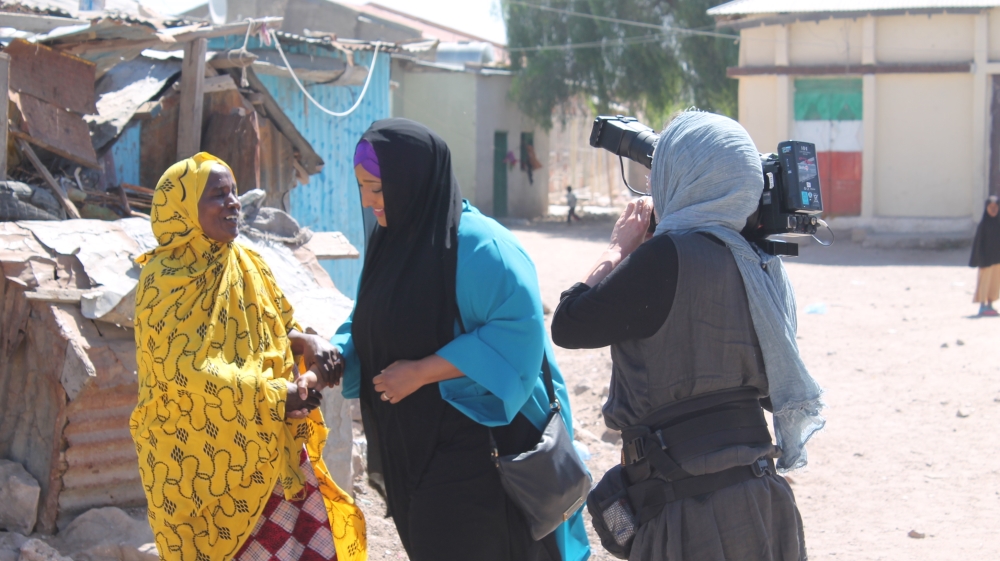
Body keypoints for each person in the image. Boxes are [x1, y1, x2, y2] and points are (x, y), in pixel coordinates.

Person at [552, 111, 823, 561]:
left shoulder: (665, 259)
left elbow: (569, 323)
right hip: (761, 501)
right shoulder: (760, 263)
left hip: (686, 513)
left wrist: (620, 247)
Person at [332, 119, 590, 561]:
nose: (368, 201)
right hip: (413, 451)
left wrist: (420, 372)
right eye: (362, 187)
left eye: (377, 188)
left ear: (411, 180)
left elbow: (518, 334)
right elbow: (369, 321)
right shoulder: (392, 244)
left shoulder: (479, 248)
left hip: (479, 451)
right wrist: (331, 357)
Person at [130, 153, 366, 561]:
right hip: (200, 461)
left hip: (270, 450)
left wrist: (304, 342)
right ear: (184, 210)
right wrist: (275, 396)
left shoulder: (246, 263)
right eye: (218, 195)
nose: (234, 202)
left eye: (234, 192)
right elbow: (183, 371)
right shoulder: (163, 282)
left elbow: (271, 326)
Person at [970, 195, 1000, 317]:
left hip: (997, 259)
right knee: (984, 283)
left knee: (995, 283)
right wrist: (979, 260)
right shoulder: (983, 225)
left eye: (995, 207)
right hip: (985, 260)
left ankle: (990, 304)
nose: (993, 210)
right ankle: (982, 306)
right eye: (990, 207)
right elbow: (978, 245)